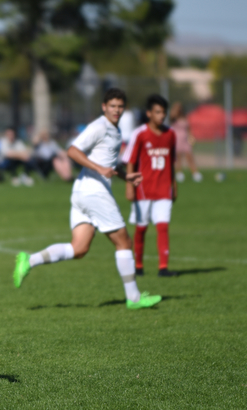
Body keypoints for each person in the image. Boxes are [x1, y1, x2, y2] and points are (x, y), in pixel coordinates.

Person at [12, 88, 161, 310]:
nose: (117, 110)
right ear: (104, 107)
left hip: (82, 192)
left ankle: (28, 260)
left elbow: (108, 162)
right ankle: (135, 298)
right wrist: (99, 168)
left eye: (120, 106)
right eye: (112, 106)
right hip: (95, 193)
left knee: (79, 249)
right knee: (124, 242)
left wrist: (124, 175)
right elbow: (72, 150)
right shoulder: (99, 127)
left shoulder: (115, 130)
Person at [122, 95, 178, 277]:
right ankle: (138, 265)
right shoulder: (140, 133)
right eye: (158, 112)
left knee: (163, 226)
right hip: (143, 189)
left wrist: (174, 184)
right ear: (149, 113)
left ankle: (163, 267)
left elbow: (172, 162)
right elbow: (130, 160)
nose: (162, 116)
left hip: (163, 189)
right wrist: (130, 186)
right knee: (142, 227)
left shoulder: (171, 134)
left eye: (164, 112)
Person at [170, 102, 202, 183]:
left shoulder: (185, 117)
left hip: (185, 140)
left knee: (189, 156)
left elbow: (189, 129)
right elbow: (172, 116)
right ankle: (179, 173)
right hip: (177, 140)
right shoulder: (174, 117)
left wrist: (191, 137)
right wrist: (175, 110)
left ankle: (195, 173)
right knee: (178, 158)